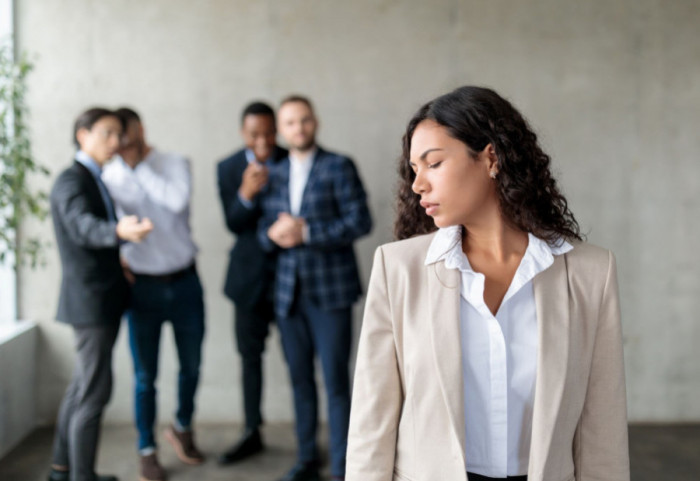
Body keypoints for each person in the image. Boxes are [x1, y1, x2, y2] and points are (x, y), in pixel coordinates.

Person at [345, 86, 630, 481]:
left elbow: (603, 430)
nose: (418, 184)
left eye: (433, 164)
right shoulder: (398, 269)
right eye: (414, 169)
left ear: (491, 157)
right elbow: (371, 422)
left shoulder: (589, 273)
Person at [258, 95, 372, 481]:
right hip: (288, 295)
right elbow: (262, 233)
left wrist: (306, 232)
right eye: (290, 123)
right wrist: (272, 235)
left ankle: (342, 468)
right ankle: (307, 459)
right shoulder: (273, 173)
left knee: (337, 383)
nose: (299, 128)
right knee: (299, 381)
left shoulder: (338, 165)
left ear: (316, 122)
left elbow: (360, 221)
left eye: (304, 120)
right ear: (281, 129)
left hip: (332, 293)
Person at [49, 107, 153, 481]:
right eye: (107, 133)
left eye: (118, 134)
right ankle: (82, 477)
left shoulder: (93, 176)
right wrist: (118, 233)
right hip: (91, 302)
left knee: (82, 387)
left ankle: (63, 469)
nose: (116, 142)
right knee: (94, 394)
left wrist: (117, 256)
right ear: (83, 134)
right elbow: (82, 227)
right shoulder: (72, 180)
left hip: (97, 297)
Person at [101, 108, 205, 481]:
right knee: (145, 375)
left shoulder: (173, 163)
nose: (119, 145)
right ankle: (147, 448)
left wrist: (138, 165)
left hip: (185, 283)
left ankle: (182, 426)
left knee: (191, 366)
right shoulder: (108, 176)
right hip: (141, 287)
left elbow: (175, 202)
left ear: (140, 130)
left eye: (124, 137)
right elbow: (107, 227)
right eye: (113, 138)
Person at [216, 101, 288, 464]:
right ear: (244, 133)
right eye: (254, 134)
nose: (263, 141)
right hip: (248, 281)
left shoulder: (294, 159)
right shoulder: (228, 168)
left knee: (301, 360)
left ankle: (308, 439)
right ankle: (251, 431)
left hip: (293, 279)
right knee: (249, 359)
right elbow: (232, 224)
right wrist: (245, 193)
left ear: (276, 130)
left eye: (268, 133)